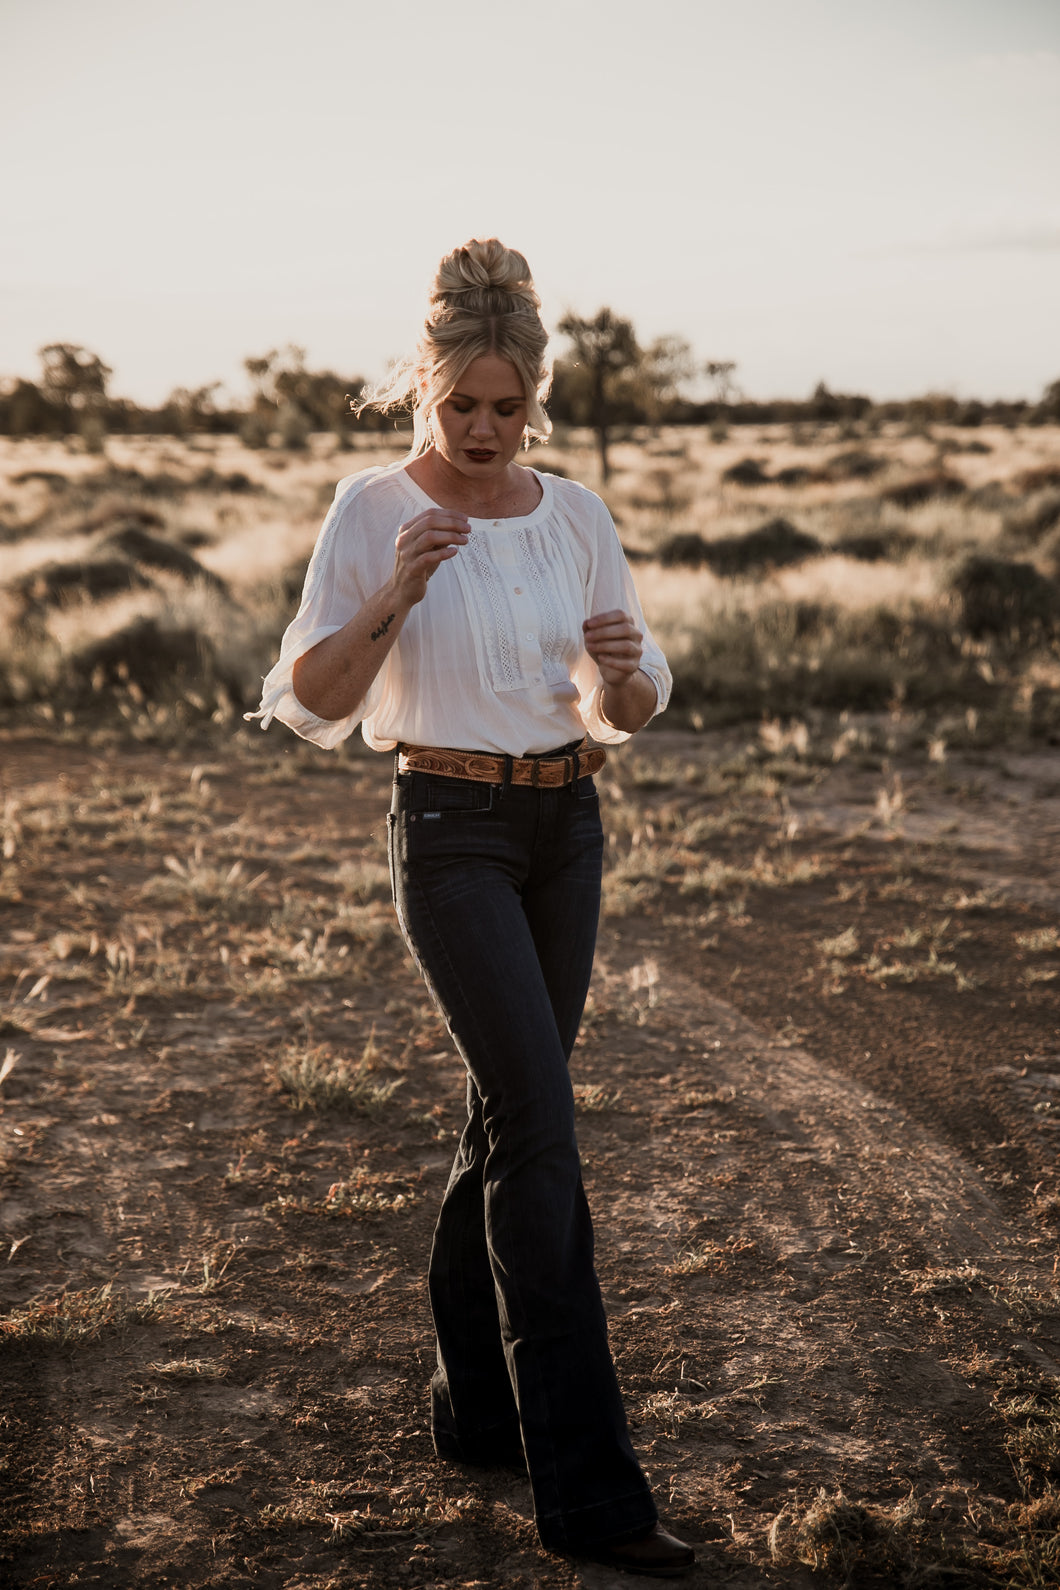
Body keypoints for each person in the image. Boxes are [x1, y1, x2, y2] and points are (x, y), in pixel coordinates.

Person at [248, 239, 695, 1578]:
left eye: (510, 407)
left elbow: (634, 697)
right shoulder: (368, 508)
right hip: (446, 834)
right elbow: (311, 700)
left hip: (567, 826)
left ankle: (477, 1403)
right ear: (423, 390)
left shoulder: (574, 513)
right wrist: (398, 591)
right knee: (544, 1139)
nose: (489, 432)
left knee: (514, 1113)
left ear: (536, 395)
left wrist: (622, 683)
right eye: (464, 407)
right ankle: (590, 1489)